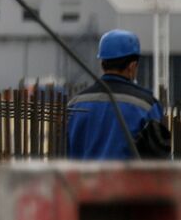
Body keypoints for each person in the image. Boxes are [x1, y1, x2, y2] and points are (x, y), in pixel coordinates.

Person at [67, 29, 170, 159]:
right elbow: (158, 161)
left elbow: (65, 153)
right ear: (132, 66)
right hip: (127, 180)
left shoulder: (75, 104)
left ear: (102, 63)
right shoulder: (146, 106)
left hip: (80, 179)